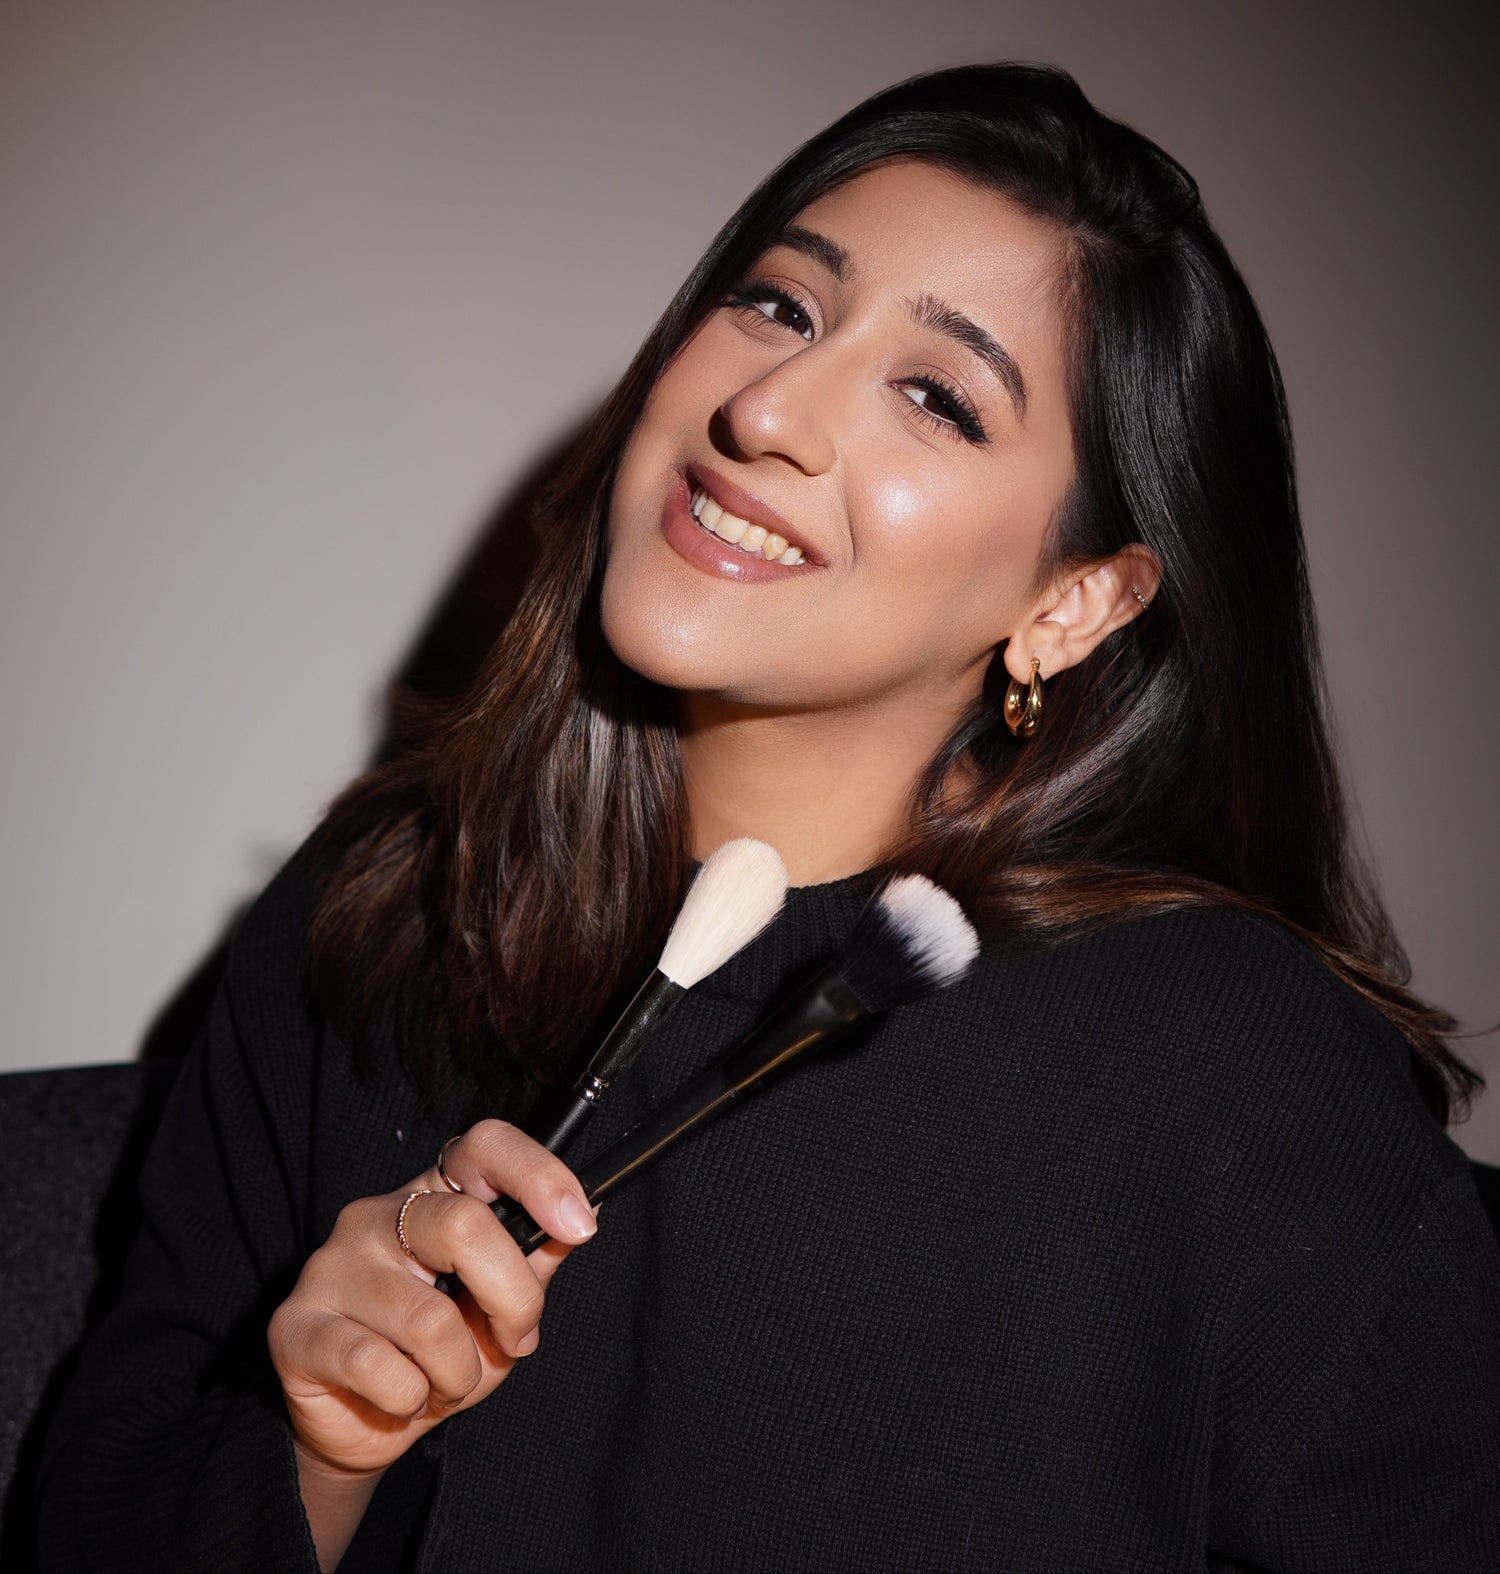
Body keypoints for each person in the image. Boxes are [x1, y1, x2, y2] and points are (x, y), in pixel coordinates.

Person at [38, 62, 1500, 1573]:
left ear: (1074, 602)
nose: (764, 410)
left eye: (937, 397)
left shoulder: (1231, 1067)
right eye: (780, 306)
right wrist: (324, 1445)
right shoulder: (383, 915)